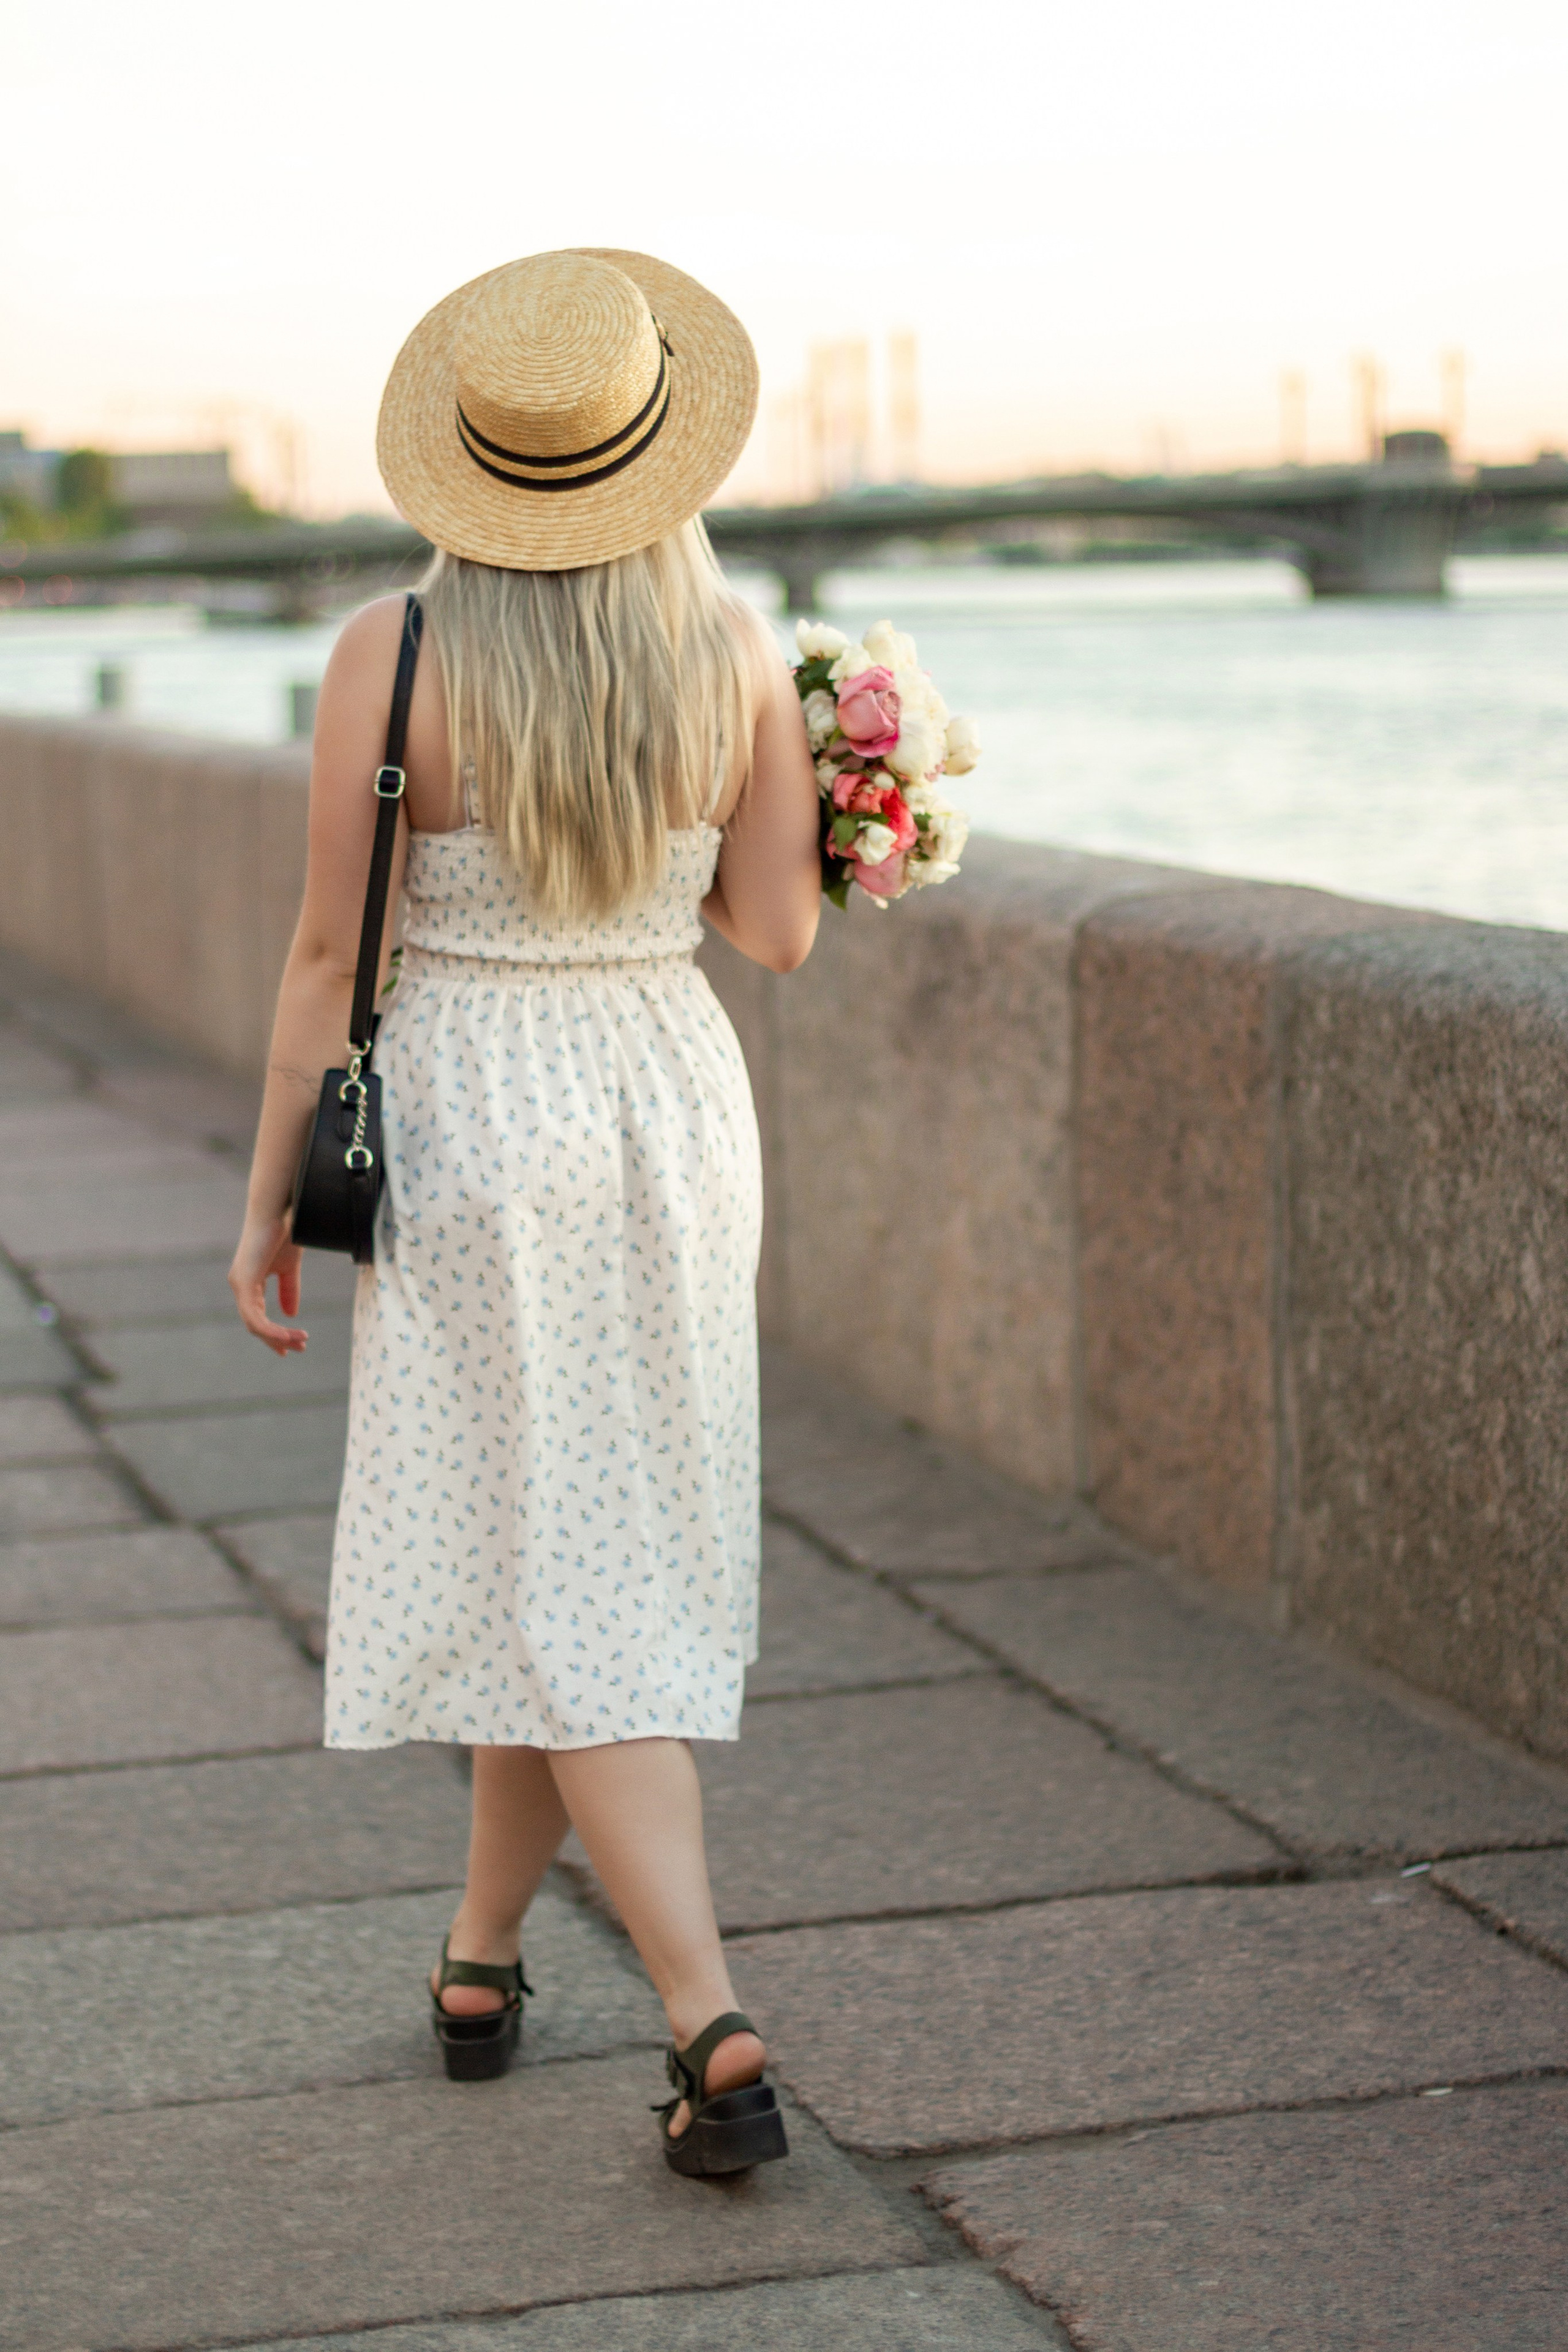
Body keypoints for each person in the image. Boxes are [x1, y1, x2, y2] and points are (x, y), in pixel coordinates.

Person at [228, 249, 820, 2177]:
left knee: (552, 1553)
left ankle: (705, 2016)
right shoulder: (730, 650)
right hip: (665, 1103)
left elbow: (335, 948)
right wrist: (840, 777)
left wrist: (267, 1203)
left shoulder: (389, 657)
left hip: (476, 1113)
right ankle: (481, 1958)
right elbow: (780, 932)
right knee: (569, 1538)